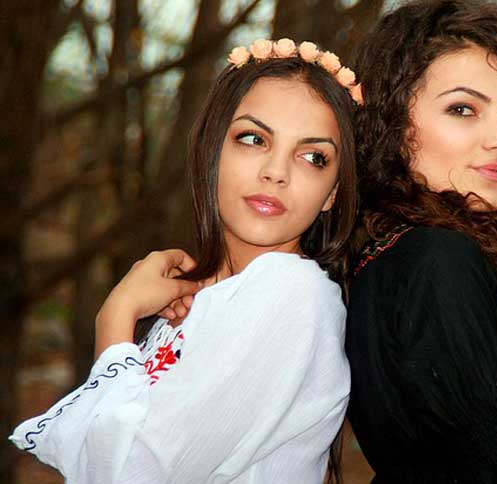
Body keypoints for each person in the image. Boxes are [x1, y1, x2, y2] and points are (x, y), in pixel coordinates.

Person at [11, 38, 362, 484]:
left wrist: (116, 317)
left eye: (313, 157)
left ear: (333, 192)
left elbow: (127, 474)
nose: (276, 172)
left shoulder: (291, 294)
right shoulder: (202, 298)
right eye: (253, 139)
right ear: (213, 150)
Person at [345, 0, 497, 483]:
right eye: (463, 109)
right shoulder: (438, 260)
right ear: (393, 125)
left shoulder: (384, 256)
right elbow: (496, 464)